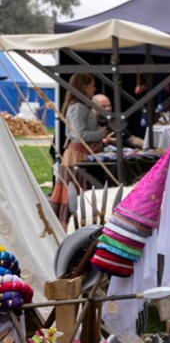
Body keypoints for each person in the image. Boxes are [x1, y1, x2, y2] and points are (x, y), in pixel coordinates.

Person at [49, 74, 114, 228]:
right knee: (75, 189)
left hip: (83, 152)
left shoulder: (81, 106)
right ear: (84, 87)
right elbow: (78, 135)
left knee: (80, 188)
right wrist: (101, 133)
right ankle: (71, 223)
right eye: (92, 85)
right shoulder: (77, 107)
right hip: (76, 153)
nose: (94, 88)